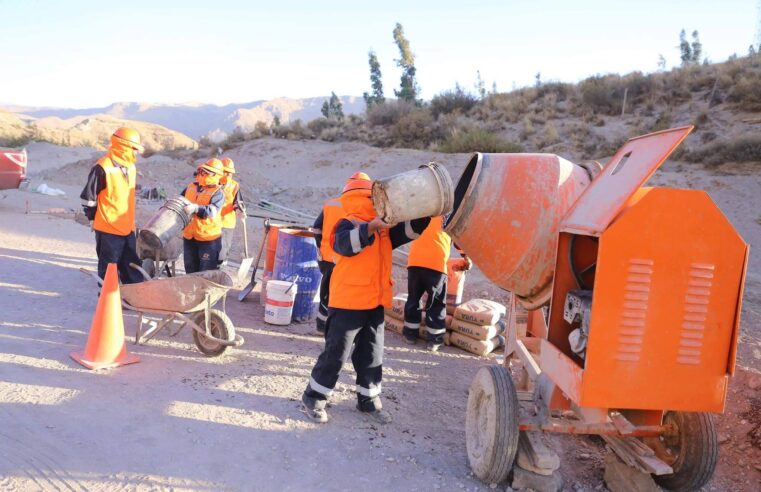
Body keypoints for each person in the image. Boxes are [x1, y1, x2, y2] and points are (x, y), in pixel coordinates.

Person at [301, 172, 431, 424]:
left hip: (373, 302)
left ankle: (368, 400)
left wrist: (426, 210)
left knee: (372, 355)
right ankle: (314, 396)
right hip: (347, 302)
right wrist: (371, 226)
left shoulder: (384, 233)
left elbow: (410, 230)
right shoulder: (346, 223)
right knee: (336, 354)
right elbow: (344, 245)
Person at [80, 127, 145, 284]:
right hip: (108, 228)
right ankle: (107, 299)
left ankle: (134, 296)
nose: (136, 153)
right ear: (123, 146)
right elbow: (88, 197)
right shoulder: (102, 167)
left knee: (131, 264)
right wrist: (92, 218)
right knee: (109, 267)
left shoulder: (130, 167)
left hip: (127, 226)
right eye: (134, 149)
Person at [403, 216, 471, 351]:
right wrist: (466, 257)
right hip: (436, 263)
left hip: (414, 262)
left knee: (413, 299)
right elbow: (458, 240)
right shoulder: (448, 217)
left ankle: (410, 335)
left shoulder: (422, 212)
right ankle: (434, 340)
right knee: (436, 303)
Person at [311, 173, 367, 336]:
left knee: (326, 291)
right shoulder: (361, 209)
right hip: (344, 259)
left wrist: (321, 247)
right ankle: (333, 328)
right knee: (339, 295)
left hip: (326, 257)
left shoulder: (331, 203)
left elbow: (316, 229)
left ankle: (321, 326)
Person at [181, 159, 226, 274]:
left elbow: (212, 211)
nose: (203, 174)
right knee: (190, 270)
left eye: (208, 172)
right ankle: (191, 291)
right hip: (189, 236)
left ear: (216, 175)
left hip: (208, 239)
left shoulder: (218, 193)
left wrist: (196, 208)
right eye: (203, 171)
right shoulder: (191, 186)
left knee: (205, 273)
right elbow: (180, 200)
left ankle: (203, 292)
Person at [219, 157, 245, 264]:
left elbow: (237, 202)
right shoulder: (213, 183)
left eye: (230, 173)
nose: (228, 174)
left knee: (224, 248)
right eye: (225, 172)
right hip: (211, 222)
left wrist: (239, 211)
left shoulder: (234, 185)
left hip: (227, 223)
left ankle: (221, 267)